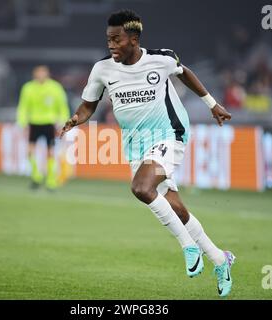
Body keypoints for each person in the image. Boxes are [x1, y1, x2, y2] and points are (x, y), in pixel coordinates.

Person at [61, 10, 235, 297]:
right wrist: (75, 119)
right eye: (109, 40)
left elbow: (186, 73)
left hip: (170, 133)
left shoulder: (162, 59)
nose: (112, 45)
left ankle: (188, 247)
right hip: (135, 144)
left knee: (141, 188)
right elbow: (88, 105)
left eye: (117, 40)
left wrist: (212, 104)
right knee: (177, 209)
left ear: (133, 39)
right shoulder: (102, 70)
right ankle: (219, 259)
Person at [17, 65, 70, 190]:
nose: (41, 75)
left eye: (43, 73)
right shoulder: (28, 88)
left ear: (47, 74)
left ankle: (51, 180)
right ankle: (37, 176)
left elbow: (62, 106)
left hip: (49, 123)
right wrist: (22, 123)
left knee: (50, 152)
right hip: (34, 123)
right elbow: (23, 107)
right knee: (30, 151)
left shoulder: (55, 88)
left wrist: (63, 123)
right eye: (38, 73)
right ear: (35, 75)